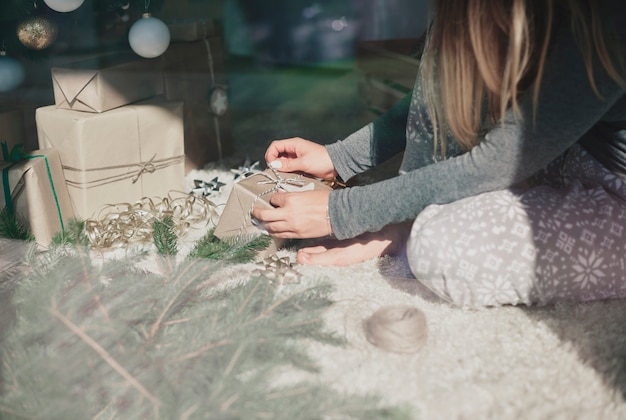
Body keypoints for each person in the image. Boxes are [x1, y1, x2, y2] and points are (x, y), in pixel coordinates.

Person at [251, 0, 626, 307]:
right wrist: (341, 157)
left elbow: (496, 163)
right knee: (451, 57)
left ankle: (411, 229)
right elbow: (442, 100)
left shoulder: (605, 21)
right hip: (560, 160)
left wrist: (344, 212)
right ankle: (410, 221)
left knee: (443, 249)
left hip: (615, 198)